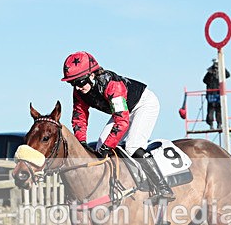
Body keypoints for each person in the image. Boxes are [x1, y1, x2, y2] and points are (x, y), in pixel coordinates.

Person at [61, 50, 174, 201]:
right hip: (123, 111)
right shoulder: (79, 93)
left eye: (80, 82)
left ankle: (163, 187)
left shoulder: (112, 84)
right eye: (72, 83)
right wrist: (81, 142)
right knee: (100, 145)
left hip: (143, 105)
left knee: (132, 146)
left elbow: (122, 121)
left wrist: (107, 148)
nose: (77, 87)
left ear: (92, 75)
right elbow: (79, 118)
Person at [202, 60, 231, 129]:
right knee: (211, 110)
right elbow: (204, 80)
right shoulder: (209, 73)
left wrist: (222, 67)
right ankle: (211, 124)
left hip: (218, 93)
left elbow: (228, 75)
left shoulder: (221, 72)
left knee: (218, 109)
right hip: (212, 94)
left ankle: (218, 124)